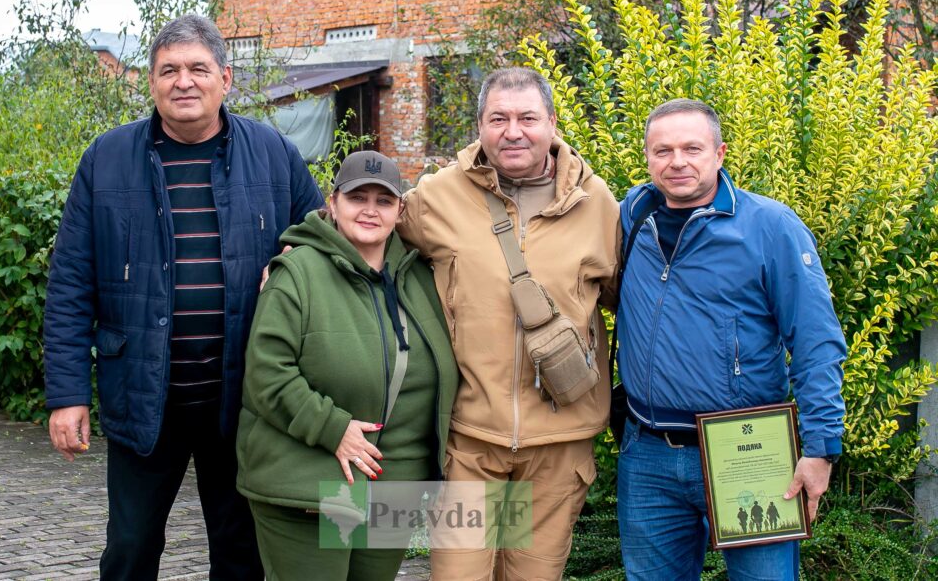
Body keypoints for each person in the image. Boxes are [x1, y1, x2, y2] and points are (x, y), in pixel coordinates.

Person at [43, 14, 322, 580]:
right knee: (131, 549)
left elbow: (319, 241)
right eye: (169, 70)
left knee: (240, 552)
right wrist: (67, 394)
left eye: (198, 68)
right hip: (145, 397)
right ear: (151, 82)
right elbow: (71, 284)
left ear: (226, 77)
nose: (184, 81)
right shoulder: (106, 160)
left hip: (244, 398)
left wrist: (292, 258)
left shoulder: (274, 154)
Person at [399, 67, 620, 579]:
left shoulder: (597, 202)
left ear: (552, 123)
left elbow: (636, 296)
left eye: (527, 118)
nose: (513, 131)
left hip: (559, 446)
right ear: (479, 125)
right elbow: (361, 225)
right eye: (498, 118)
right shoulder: (438, 197)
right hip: (471, 441)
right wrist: (296, 254)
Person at [616, 98, 846, 580]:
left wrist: (821, 448)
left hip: (749, 449)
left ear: (720, 154)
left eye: (691, 148)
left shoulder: (769, 228)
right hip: (649, 456)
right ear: (647, 158)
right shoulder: (630, 217)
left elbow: (816, 341)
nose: (677, 161)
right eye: (662, 150)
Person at [236, 151, 458, 580]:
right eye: (358, 197)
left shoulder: (421, 276)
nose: (370, 210)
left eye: (384, 200)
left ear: (400, 211)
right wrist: (333, 429)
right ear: (333, 203)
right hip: (309, 483)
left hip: (396, 485)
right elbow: (267, 372)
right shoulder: (297, 272)